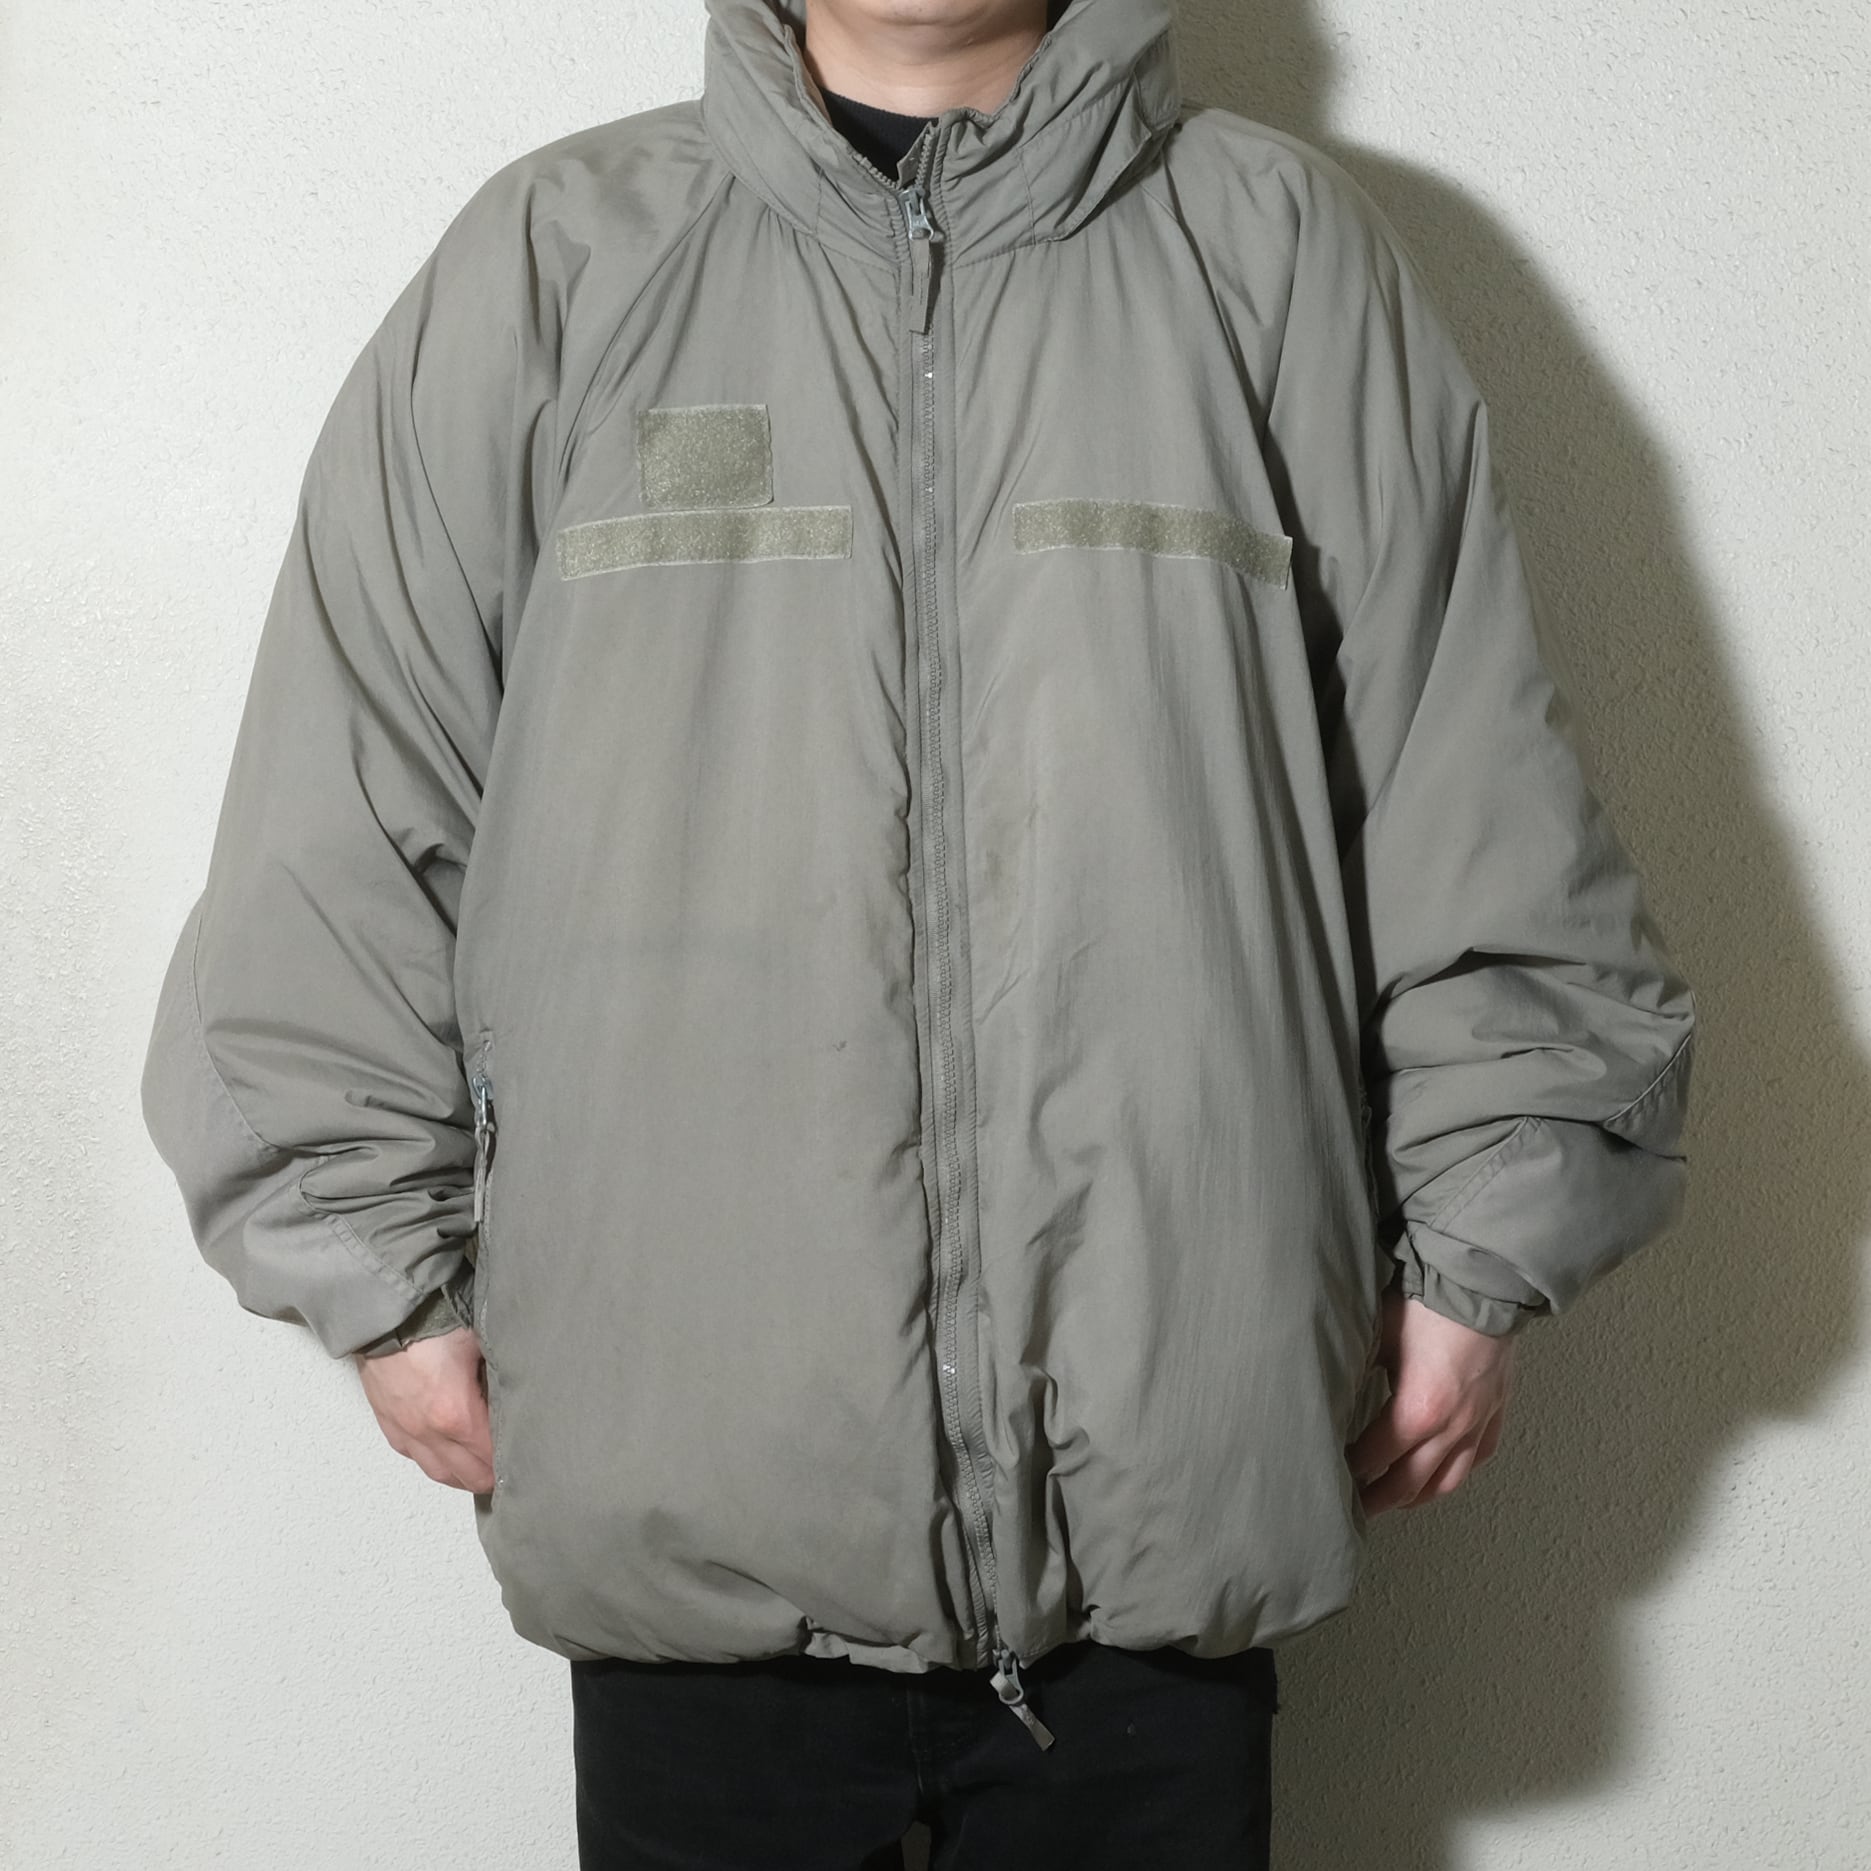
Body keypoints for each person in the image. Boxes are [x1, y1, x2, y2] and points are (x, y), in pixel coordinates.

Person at [139, 0, 1697, 1863]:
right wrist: (381, 1276)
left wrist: (1482, 1247)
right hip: (693, 1511)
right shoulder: (555, 261)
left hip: (1163, 1521)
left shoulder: (1276, 253)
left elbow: (1467, 774)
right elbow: (344, 800)